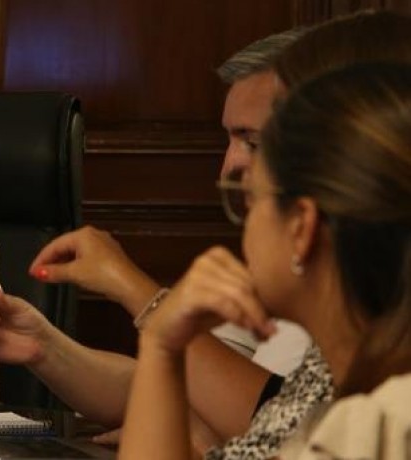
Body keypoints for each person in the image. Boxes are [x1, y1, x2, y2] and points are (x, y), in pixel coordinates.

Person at [0, 9, 411, 457]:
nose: (232, 171)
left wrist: (142, 300)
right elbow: (187, 394)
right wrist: (59, 347)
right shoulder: (332, 368)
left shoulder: (374, 415)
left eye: (258, 145)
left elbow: (246, 415)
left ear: (304, 225)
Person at [120, 61, 411, 460]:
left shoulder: (371, 427)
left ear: (301, 227)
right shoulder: (349, 398)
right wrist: (163, 345)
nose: (244, 224)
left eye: (252, 200)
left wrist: (160, 344)